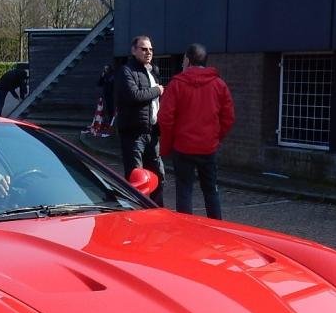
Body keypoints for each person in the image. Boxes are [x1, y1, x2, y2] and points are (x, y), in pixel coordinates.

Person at [158, 43, 235, 219]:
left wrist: (168, 144)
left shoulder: (177, 84)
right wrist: (216, 137)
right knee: (211, 191)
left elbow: (165, 117)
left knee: (184, 191)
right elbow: (228, 117)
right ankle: (216, 228)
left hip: (183, 147)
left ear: (188, 60)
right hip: (208, 147)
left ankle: (186, 229)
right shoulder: (219, 84)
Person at [115, 35, 165, 204]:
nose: (148, 52)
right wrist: (157, 90)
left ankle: (158, 210)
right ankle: (136, 211)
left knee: (158, 175)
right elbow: (134, 95)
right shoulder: (126, 71)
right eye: (144, 49)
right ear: (133, 50)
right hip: (133, 133)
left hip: (152, 132)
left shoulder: (153, 71)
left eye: (150, 49)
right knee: (136, 178)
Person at [97, 63, 116, 137]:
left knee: (112, 109)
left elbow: (112, 84)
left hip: (112, 96)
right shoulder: (104, 75)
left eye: (106, 69)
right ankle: (108, 123)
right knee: (107, 109)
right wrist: (102, 76)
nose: (105, 70)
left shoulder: (112, 75)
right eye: (104, 69)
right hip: (106, 95)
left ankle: (112, 123)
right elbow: (99, 84)